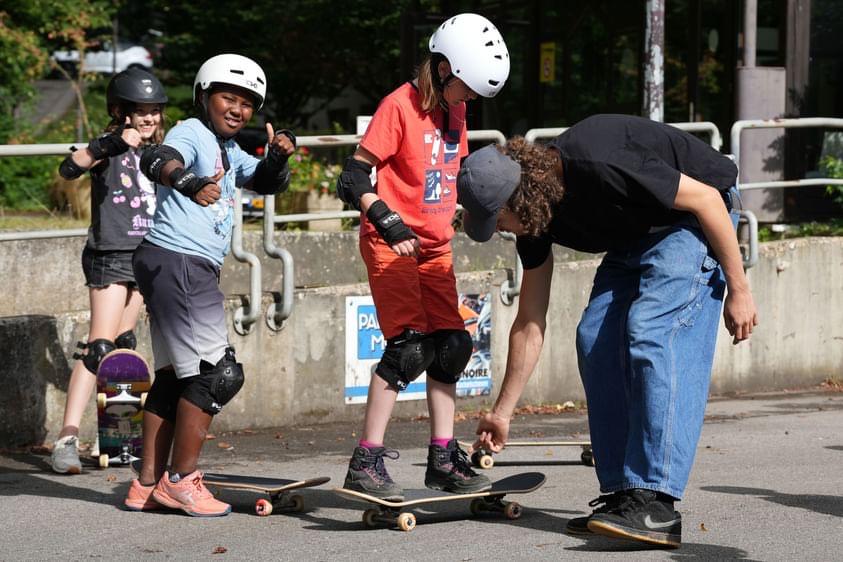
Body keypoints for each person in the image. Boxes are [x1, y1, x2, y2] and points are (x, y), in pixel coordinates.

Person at [460, 115, 758, 548]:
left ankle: (656, 502)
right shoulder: (537, 221)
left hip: (692, 219)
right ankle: (624, 495)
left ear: (519, 199)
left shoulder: (598, 161)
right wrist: (502, 413)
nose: (500, 230)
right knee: (594, 337)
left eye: (498, 220)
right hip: (635, 234)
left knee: (653, 331)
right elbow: (529, 322)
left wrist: (740, 288)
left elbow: (708, 200)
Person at [335, 13, 510, 500]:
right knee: (409, 347)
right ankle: (365, 461)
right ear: (441, 67)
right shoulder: (399, 106)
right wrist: (387, 220)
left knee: (453, 345)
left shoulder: (456, 110)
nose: (469, 98)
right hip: (392, 242)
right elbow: (351, 178)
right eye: (466, 88)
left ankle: (443, 459)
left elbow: (446, 174)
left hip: (436, 246)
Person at [125, 54, 295, 516]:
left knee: (174, 378)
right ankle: (180, 481)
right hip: (179, 260)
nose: (238, 110)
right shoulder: (192, 133)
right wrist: (188, 180)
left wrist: (277, 155)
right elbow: (156, 157)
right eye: (228, 98)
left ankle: (146, 484)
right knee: (218, 374)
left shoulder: (228, 148)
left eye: (246, 103)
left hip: (169, 263)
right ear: (204, 96)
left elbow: (264, 182)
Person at [51, 68, 167, 474]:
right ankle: (66, 439)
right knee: (99, 348)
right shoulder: (110, 148)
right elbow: (70, 168)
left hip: (147, 253)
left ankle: (118, 439)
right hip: (110, 253)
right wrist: (109, 142)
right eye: (142, 111)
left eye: (155, 111)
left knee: (123, 345)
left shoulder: (161, 152)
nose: (150, 118)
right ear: (121, 112)